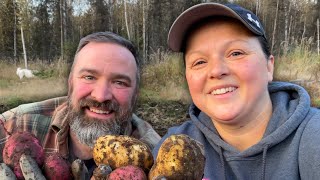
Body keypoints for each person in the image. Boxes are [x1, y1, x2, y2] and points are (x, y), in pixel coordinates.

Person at [153, 2, 320, 179]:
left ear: (269, 67)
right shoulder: (173, 148)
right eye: (199, 62)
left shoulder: (313, 135)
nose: (216, 71)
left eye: (236, 53)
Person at [0, 31, 161, 176]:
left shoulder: (157, 155)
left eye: (119, 82)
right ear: (70, 83)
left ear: (135, 94)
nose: (101, 96)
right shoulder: (14, 125)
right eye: (89, 77)